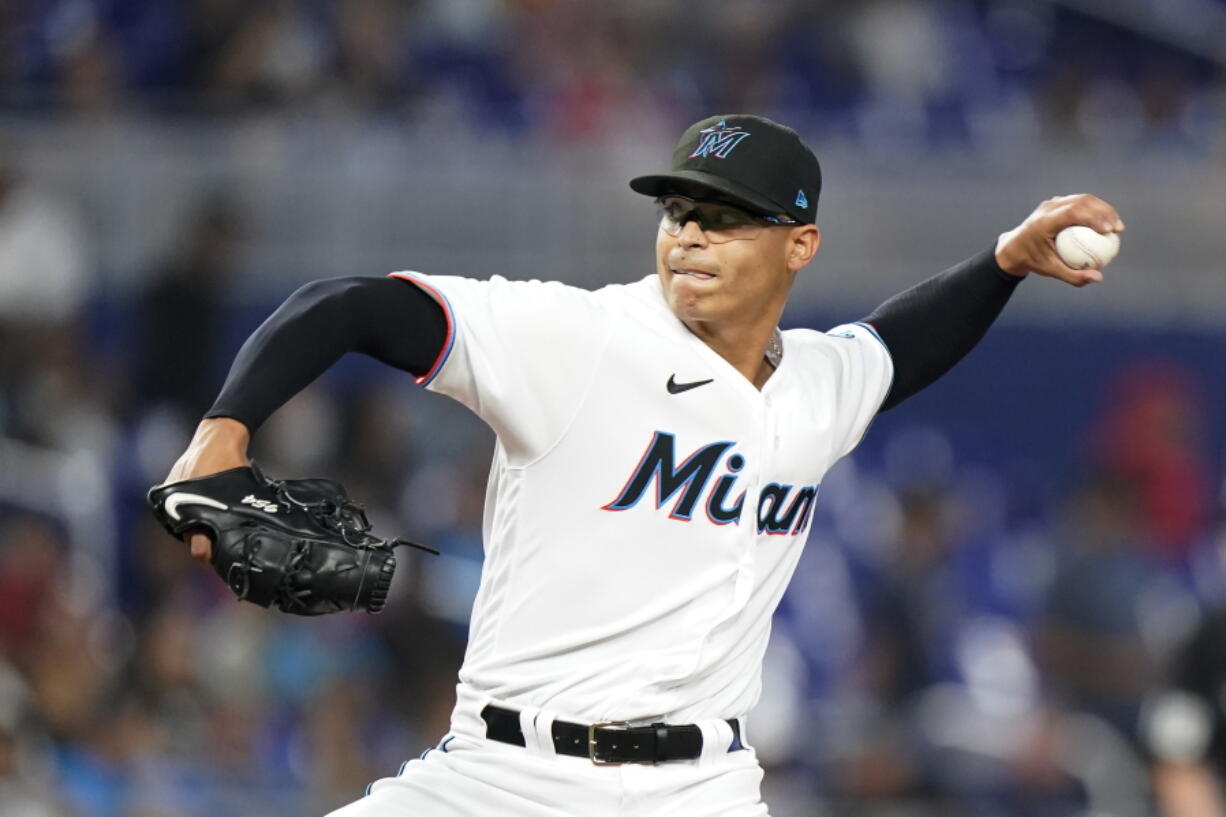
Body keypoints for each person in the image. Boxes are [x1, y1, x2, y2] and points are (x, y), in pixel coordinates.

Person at [159, 115, 1124, 816]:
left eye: (725, 215)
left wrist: (1005, 259)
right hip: (499, 779)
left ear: (801, 246)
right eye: (677, 209)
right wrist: (225, 432)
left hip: (699, 789)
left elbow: (899, 346)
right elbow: (353, 303)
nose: (690, 233)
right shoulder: (581, 338)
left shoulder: (820, 384)